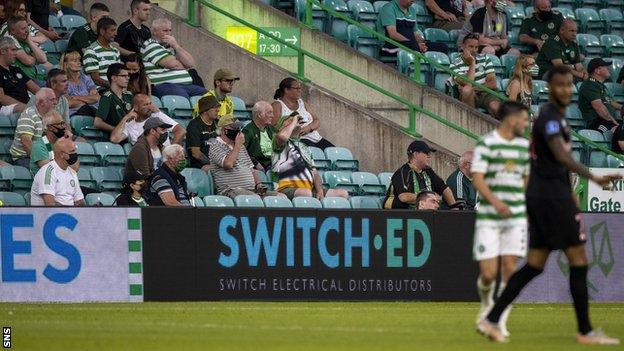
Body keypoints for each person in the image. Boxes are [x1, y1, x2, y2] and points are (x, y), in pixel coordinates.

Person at [477, 66, 622, 345]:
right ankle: (585, 331)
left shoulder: (556, 118)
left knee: (534, 264)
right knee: (579, 260)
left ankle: (491, 318)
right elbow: (558, 155)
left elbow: (553, 162)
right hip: (550, 199)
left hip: (548, 196)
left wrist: (570, 194)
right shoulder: (549, 117)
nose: (566, 89)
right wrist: (592, 176)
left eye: (569, 84)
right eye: (560, 85)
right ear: (550, 88)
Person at [471, 101, 530, 338]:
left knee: (510, 269)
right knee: (488, 274)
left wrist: (522, 204)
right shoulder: (487, 144)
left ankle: (499, 321)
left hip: (515, 218)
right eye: (524, 119)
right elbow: (478, 178)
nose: (526, 124)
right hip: (489, 216)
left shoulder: (524, 147)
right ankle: (486, 302)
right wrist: (496, 203)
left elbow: (525, 179)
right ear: (512, 119)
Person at [272, 114, 348, 200]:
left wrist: (319, 191)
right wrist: (293, 122)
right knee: (305, 193)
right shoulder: (278, 142)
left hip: (309, 189)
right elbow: (282, 137)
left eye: (296, 120)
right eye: (290, 120)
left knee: (342, 194)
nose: (296, 121)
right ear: (282, 127)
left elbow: (315, 173)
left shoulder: (304, 147)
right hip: (285, 188)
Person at [209, 115, 282, 199]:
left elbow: (251, 169)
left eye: (238, 128)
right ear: (223, 130)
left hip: (251, 190)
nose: (238, 131)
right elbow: (228, 164)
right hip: (231, 190)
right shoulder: (215, 145)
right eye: (234, 128)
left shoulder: (241, 147)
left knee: (281, 197)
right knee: (254, 198)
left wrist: (258, 184)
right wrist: (238, 145)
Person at [141, 18, 206, 98]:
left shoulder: (172, 46)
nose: (169, 34)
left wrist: (176, 46)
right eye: (165, 31)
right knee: (182, 98)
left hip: (186, 86)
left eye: (170, 30)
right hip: (165, 85)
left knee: (208, 96)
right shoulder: (150, 45)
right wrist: (183, 65)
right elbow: (173, 64)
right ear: (154, 32)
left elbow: (190, 63)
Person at [383, 140, 458, 209]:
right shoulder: (403, 172)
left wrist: (454, 207)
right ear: (415, 154)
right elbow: (404, 197)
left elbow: (444, 189)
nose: (429, 156)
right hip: (398, 215)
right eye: (426, 153)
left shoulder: (428, 171)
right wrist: (427, 199)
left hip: (423, 214)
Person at [272, 78, 334, 150]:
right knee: (316, 154)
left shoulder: (302, 103)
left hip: (316, 138)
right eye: (296, 88)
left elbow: (317, 120)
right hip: (297, 139)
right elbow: (273, 128)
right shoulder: (277, 105)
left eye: (300, 88)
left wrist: (309, 128)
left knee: (337, 153)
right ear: (286, 90)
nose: (299, 90)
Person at [450, 33, 501, 118]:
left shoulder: (485, 59)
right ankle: (471, 122)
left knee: (496, 108)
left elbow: (492, 83)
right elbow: (468, 84)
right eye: (471, 47)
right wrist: (472, 63)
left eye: (476, 47)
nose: (474, 50)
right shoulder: (455, 64)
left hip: (486, 93)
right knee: (467, 90)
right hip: (470, 95)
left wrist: (475, 88)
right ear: (462, 47)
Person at [377, 0, 448, 57]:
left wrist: (422, 43)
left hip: (410, 44)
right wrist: (414, 44)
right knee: (415, 47)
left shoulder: (412, 10)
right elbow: (393, 34)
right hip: (389, 46)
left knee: (442, 47)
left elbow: (415, 33)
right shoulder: (388, 8)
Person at [111, 93, 185, 145]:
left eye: (150, 103)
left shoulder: (158, 116)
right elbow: (114, 139)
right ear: (136, 108)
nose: (150, 107)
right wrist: (126, 118)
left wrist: (171, 150)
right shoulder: (129, 125)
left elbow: (181, 130)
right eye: (146, 105)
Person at [9, 87, 56, 168]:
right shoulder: (29, 115)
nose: (56, 102)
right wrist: (41, 159)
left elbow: (47, 140)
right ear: (41, 102)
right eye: (52, 100)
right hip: (24, 157)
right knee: (49, 172)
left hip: (43, 155)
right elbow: (26, 142)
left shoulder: (50, 116)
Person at [30, 137, 85, 206]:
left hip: (69, 214)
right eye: (72, 151)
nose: (75, 155)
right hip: (48, 215)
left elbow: (79, 201)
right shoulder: (48, 172)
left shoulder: (72, 172)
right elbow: (50, 205)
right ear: (62, 154)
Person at [578, 58, 623, 133]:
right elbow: (599, 107)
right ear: (597, 70)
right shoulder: (589, 84)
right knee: (619, 131)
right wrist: (613, 121)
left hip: (608, 121)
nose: (608, 69)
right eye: (605, 67)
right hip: (597, 122)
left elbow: (610, 102)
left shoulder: (600, 85)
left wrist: (622, 107)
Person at [0, 36, 39, 115]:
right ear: (3, 51)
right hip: (6, 107)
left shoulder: (16, 70)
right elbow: (2, 98)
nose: (15, 53)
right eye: (13, 50)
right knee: (29, 110)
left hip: (26, 106)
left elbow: (36, 90)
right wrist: (26, 106)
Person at [7, 15, 51, 83]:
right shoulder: (11, 44)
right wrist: (34, 57)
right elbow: (29, 62)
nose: (27, 31)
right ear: (13, 31)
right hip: (25, 81)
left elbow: (43, 59)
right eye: (23, 28)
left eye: (27, 28)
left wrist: (29, 41)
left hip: (39, 78)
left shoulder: (26, 40)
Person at [29, 110, 74, 175]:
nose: (64, 127)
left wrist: (69, 141)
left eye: (64, 123)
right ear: (50, 127)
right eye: (61, 124)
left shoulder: (64, 144)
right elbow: (51, 172)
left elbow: (75, 169)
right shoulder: (39, 146)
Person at [94, 63, 133, 134]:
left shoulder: (129, 95)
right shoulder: (107, 97)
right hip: (117, 138)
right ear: (114, 78)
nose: (128, 78)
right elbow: (97, 122)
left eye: (128, 75)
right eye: (124, 76)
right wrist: (116, 130)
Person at [83, 17, 120, 88]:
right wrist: (114, 86)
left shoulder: (115, 51)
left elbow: (118, 73)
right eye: (112, 30)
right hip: (101, 91)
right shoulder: (91, 51)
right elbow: (95, 79)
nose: (116, 34)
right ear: (102, 31)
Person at [61, 50, 99, 116]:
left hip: (92, 110)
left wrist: (75, 97)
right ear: (66, 64)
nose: (79, 63)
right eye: (74, 61)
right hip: (75, 113)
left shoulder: (86, 79)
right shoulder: (63, 82)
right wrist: (88, 99)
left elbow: (96, 98)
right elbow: (68, 103)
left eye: (79, 60)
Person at [186, 95, 219, 171]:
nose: (218, 110)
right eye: (214, 107)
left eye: (218, 107)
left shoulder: (218, 123)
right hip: (201, 165)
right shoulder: (194, 125)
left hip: (218, 161)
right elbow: (196, 153)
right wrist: (212, 164)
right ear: (204, 110)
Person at [242, 101, 277, 171]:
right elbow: (242, 151)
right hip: (264, 165)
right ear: (259, 115)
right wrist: (256, 163)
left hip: (276, 162)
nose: (272, 116)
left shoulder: (272, 129)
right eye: (269, 112)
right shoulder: (248, 130)